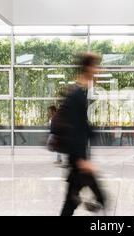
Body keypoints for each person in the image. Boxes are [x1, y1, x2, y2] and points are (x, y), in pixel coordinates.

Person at [55, 53, 106, 216]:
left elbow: (81, 126)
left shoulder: (79, 92)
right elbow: (75, 130)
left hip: (78, 159)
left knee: (71, 202)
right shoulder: (76, 95)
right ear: (88, 68)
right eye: (97, 66)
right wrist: (81, 160)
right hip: (79, 160)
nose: (99, 70)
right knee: (101, 199)